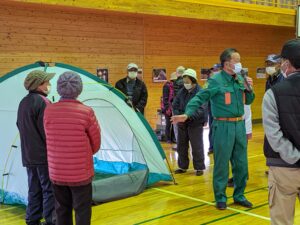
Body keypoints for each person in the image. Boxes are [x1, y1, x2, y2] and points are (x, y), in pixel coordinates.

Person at [172, 48, 255, 210]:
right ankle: (220, 197)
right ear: (227, 63)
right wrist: (187, 114)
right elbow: (199, 97)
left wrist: (249, 88)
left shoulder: (239, 79)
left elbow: (249, 100)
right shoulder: (215, 80)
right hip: (223, 126)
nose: (239, 64)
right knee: (222, 164)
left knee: (241, 165)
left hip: (239, 125)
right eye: (236, 61)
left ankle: (239, 195)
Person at [44, 72, 101, 225]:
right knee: (82, 211)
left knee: (61, 210)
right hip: (80, 173)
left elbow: (49, 138)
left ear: (59, 88)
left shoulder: (49, 111)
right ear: (79, 89)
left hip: (57, 171)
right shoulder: (86, 112)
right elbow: (96, 143)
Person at [262, 39, 300, 225]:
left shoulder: (273, 93)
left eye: (281, 61)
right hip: (286, 165)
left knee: (282, 221)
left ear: (287, 63)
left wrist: (294, 156)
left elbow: (273, 134)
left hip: (284, 167)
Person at [17, 70, 55, 225]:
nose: (49, 85)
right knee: (49, 190)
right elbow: (48, 131)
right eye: (47, 82)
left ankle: (32, 219)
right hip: (44, 156)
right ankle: (51, 221)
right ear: (39, 85)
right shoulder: (43, 102)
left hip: (28, 155)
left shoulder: (23, 102)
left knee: (34, 189)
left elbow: (19, 125)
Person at [172, 69, 208, 176]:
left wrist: (187, 117)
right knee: (181, 145)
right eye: (184, 82)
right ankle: (182, 166)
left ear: (193, 81)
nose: (185, 84)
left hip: (195, 123)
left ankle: (199, 167)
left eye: (187, 82)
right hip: (182, 123)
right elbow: (175, 105)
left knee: (197, 146)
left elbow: (201, 109)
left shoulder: (201, 92)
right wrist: (179, 116)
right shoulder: (181, 91)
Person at [264, 54, 285, 175]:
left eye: (271, 64)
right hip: (272, 115)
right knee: (271, 142)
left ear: (279, 64)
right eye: (267, 64)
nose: (269, 66)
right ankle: (272, 165)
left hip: (281, 116)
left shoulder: (283, 78)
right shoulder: (270, 79)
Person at [207, 64, 222, 154]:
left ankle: (220, 147)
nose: (214, 71)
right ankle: (212, 147)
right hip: (210, 107)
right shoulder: (210, 81)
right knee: (212, 127)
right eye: (213, 70)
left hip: (219, 109)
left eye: (216, 69)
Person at [172, 66, 185, 150]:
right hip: (186, 109)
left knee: (177, 127)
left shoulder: (176, 82)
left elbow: (176, 97)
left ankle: (179, 145)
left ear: (177, 73)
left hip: (178, 109)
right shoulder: (187, 82)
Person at [161, 72, 177, 143]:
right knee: (168, 124)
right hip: (167, 107)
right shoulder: (166, 86)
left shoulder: (176, 87)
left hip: (174, 107)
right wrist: (167, 108)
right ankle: (168, 138)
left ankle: (173, 138)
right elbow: (165, 98)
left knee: (174, 123)